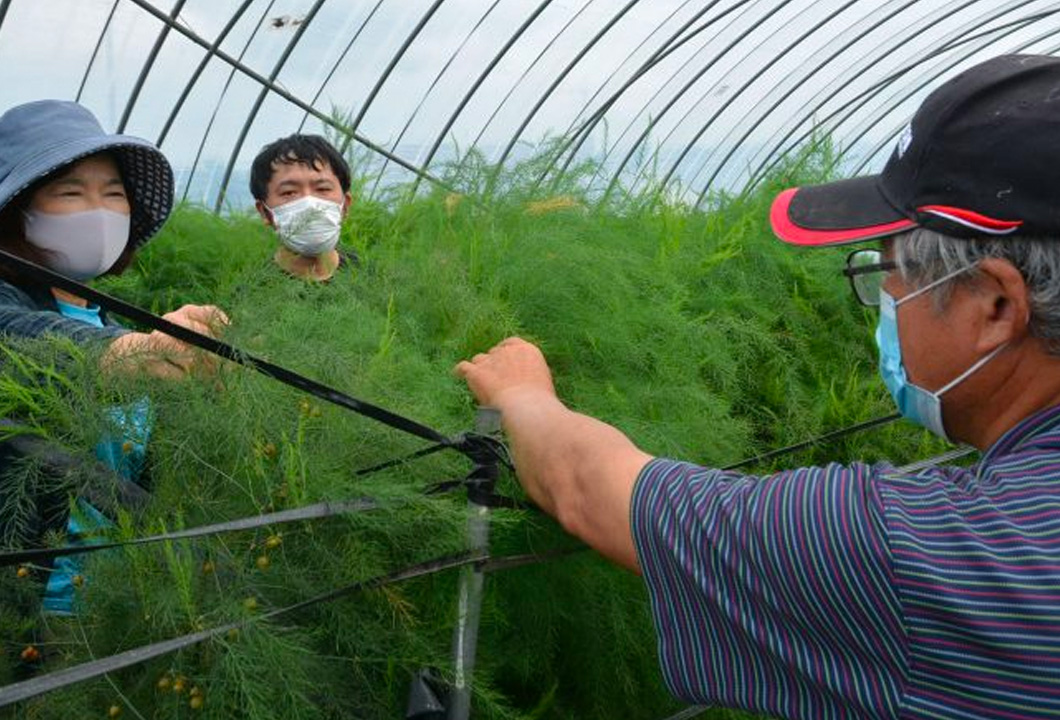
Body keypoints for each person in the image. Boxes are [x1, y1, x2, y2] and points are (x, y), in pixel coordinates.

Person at [456, 54, 1060, 719]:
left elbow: (589, 490)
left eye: (888, 268)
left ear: (997, 305)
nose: (884, 298)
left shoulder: (933, 558)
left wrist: (522, 394)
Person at [0, 99, 227, 614]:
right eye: (71, 192)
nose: (99, 211)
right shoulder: (24, 310)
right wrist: (130, 354)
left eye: (113, 194)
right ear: (20, 212)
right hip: (28, 614)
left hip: (115, 608)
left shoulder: (109, 321)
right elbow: (21, 341)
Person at [249, 133, 357, 282]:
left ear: (345, 205)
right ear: (264, 212)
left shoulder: (375, 278)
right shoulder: (252, 295)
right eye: (289, 192)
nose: (310, 205)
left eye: (322, 189)